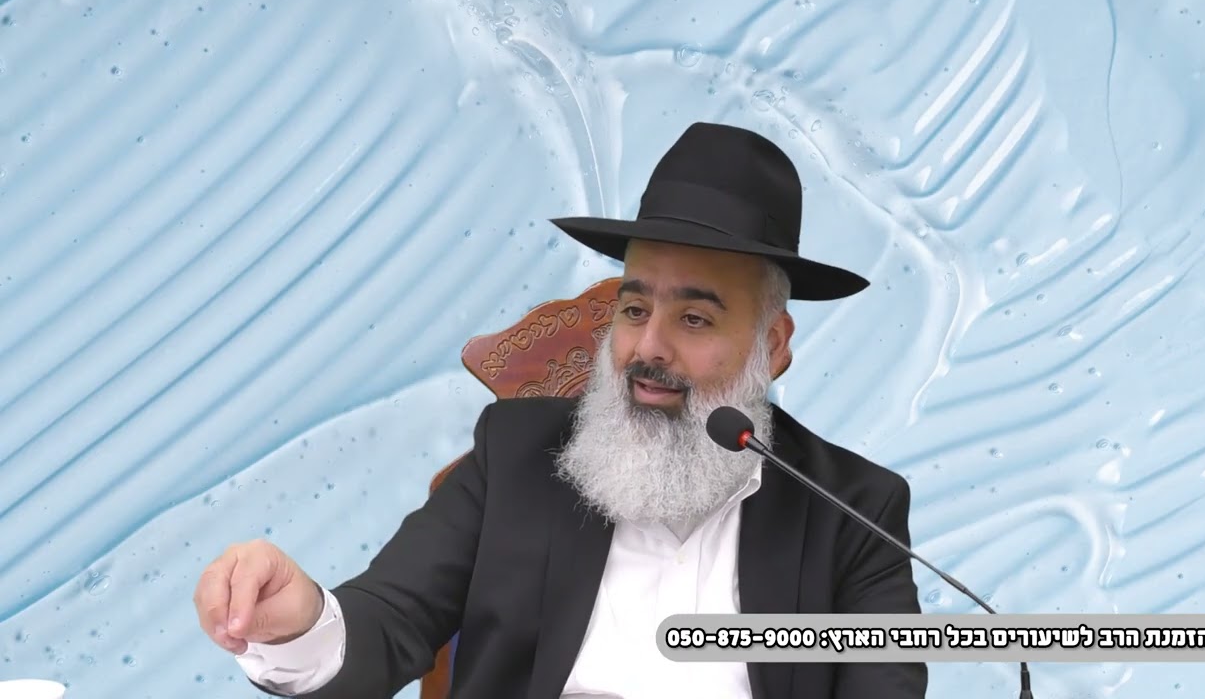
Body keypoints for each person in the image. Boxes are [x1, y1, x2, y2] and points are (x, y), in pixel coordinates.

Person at [192, 121, 927, 698]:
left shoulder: (853, 513)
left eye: (695, 319)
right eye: (633, 309)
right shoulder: (516, 455)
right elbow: (388, 623)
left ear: (772, 344)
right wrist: (294, 625)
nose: (649, 347)